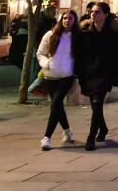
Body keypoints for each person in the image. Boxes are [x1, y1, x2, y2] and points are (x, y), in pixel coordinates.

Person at [78, 2, 118, 151]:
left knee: (97, 102)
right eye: (92, 11)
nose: (93, 14)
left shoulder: (115, 33)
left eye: (97, 12)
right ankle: (103, 128)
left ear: (105, 14)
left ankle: (90, 137)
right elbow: (80, 55)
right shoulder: (85, 31)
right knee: (94, 105)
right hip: (89, 73)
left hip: (105, 73)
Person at [37, 9, 80, 150]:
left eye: (71, 18)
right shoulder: (50, 35)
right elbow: (40, 53)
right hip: (51, 75)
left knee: (55, 104)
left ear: (75, 21)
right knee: (58, 107)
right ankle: (67, 131)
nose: (67, 21)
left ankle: (46, 137)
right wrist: (45, 63)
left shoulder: (77, 37)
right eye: (65, 18)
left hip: (66, 76)